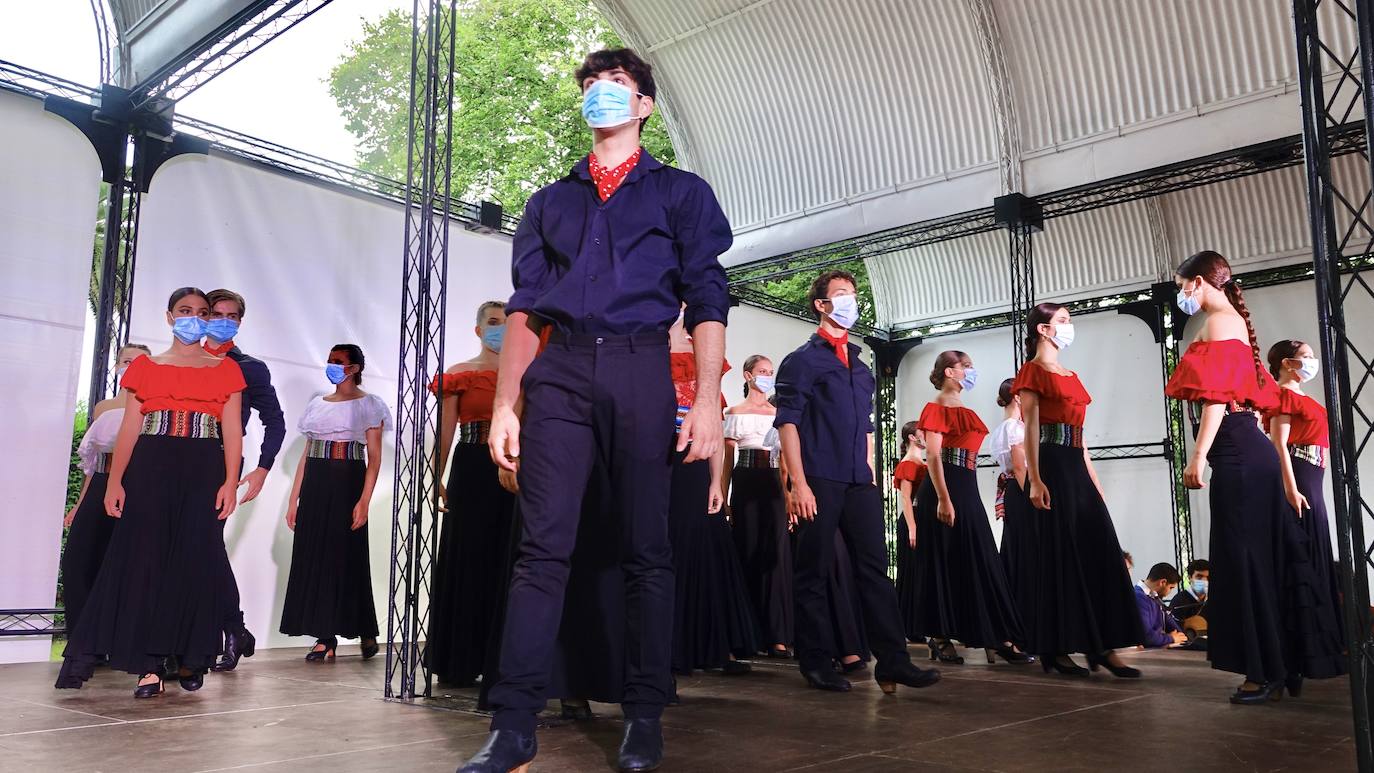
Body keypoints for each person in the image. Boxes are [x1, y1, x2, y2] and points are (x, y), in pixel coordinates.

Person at [459, 48, 732, 773]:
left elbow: (707, 296)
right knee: (541, 550)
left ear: (643, 105)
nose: (599, 95)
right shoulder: (550, 202)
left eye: (615, 85)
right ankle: (513, 724)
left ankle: (644, 714)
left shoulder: (681, 193)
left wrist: (705, 398)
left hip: (644, 367)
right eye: (590, 85)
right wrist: (508, 404)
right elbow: (525, 310)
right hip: (562, 371)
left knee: (648, 550)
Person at [56, 287, 245, 697]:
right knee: (146, 561)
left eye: (201, 311)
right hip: (151, 466)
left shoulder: (226, 369)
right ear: (169, 316)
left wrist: (231, 481)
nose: (193, 317)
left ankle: (193, 656)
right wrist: (117, 481)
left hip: (203, 467)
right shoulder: (145, 367)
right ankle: (149, 666)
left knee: (196, 560)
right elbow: (130, 427)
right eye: (184, 310)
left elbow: (232, 429)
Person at [774, 268, 941, 695]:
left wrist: (869, 473)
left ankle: (893, 661)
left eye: (854, 294)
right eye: (842, 294)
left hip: (857, 482)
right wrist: (798, 484)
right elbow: (788, 425)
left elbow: (866, 428)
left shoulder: (862, 367)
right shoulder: (801, 361)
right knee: (811, 571)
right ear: (822, 305)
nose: (852, 301)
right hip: (819, 479)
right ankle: (814, 661)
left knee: (875, 570)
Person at [1164, 250, 1291, 704]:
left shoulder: (1219, 324)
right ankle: (1272, 666)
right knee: (1249, 561)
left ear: (1199, 282)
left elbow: (1216, 399)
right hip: (1244, 453)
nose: (1182, 294)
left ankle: (1264, 671)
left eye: (1183, 286)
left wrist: (1197, 456)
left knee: (1244, 562)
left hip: (1236, 454)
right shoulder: (1229, 322)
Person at [1016, 302, 1144, 678]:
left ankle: (1103, 645)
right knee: (1060, 556)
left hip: (1076, 465)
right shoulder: (1032, 371)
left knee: (1098, 550)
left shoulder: (1071, 375)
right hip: (1051, 465)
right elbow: (1030, 431)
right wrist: (1036, 480)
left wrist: (1095, 481)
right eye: (1063, 321)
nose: (1069, 327)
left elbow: (1082, 440)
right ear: (1043, 329)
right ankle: (1055, 649)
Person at [911, 351, 1029, 665]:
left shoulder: (965, 408)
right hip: (945, 489)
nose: (972, 372)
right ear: (950, 371)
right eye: (967, 367)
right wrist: (943, 499)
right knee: (942, 562)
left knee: (982, 559)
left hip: (967, 485)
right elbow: (933, 456)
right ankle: (939, 635)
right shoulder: (935, 407)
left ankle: (995, 636)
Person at [279, 344, 389, 661]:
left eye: (338, 362)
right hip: (316, 480)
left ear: (354, 368)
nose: (332, 366)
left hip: (347, 480)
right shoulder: (317, 405)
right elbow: (306, 453)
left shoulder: (369, 404)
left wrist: (364, 500)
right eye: (329, 361)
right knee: (314, 553)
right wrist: (293, 498)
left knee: (348, 555)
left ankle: (365, 628)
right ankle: (324, 635)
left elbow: (375, 457)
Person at [427, 301, 514, 686]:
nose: (501, 330)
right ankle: (461, 658)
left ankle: (506, 661)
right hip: (473, 468)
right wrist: (434, 477)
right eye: (494, 323)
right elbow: (445, 430)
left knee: (510, 562)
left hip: (516, 473)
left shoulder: (527, 375)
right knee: (469, 557)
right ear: (479, 330)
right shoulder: (460, 374)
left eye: (508, 324)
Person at [665, 317, 757, 675]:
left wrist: (717, 482)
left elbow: (714, 426)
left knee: (697, 547)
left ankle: (698, 647)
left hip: (693, 462)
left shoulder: (706, 359)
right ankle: (663, 648)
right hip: (653, 460)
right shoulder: (648, 347)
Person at [204, 288, 286, 672]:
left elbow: (275, 420)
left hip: (221, 464)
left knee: (204, 544)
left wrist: (263, 468)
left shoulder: (249, 367)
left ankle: (231, 629)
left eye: (231, 315)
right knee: (186, 547)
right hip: (174, 461)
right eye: (216, 313)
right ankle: (226, 630)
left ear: (240, 320)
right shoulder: (181, 360)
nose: (224, 320)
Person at [1265, 339, 1347, 686]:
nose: (1312, 362)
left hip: (1313, 479)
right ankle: (1295, 658)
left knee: (1316, 553)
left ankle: (1316, 650)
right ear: (1287, 363)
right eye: (1307, 357)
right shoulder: (1283, 396)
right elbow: (1278, 443)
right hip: (1299, 478)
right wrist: (1290, 488)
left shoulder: (1304, 398)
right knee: (1301, 558)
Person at [61, 343, 150, 634]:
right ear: (117, 365)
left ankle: (119, 638)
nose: (130, 365)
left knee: (125, 565)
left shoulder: (156, 406)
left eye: (138, 361)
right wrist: (80, 503)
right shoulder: (103, 407)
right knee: (78, 559)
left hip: (137, 488)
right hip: (100, 484)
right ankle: (82, 639)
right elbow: (92, 463)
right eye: (125, 360)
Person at [725, 354, 794, 660]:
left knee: (776, 555)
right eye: (762, 371)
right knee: (747, 550)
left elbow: (788, 459)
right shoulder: (733, 412)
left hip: (774, 483)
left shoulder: (779, 413)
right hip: (745, 481)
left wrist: (791, 493)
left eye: (770, 371)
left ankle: (777, 635)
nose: (767, 375)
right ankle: (747, 633)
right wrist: (723, 494)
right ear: (748, 375)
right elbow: (727, 460)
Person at [992, 378, 1038, 652]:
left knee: (1015, 554)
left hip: (1012, 492)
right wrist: (1031, 496)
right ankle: (1023, 629)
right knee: (1024, 557)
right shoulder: (1015, 428)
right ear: (1018, 397)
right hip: (1020, 493)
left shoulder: (1003, 428)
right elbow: (1020, 468)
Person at [892, 421, 928, 641]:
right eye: (922, 433)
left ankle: (917, 625)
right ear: (913, 438)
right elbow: (905, 497)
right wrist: (912, 527)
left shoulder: (919, 461)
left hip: (920, 519)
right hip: (911, 520)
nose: (926, 436)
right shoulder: (907, 464)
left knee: (919, 572)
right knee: (912, 572)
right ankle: (909, 626)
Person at [1134, 563, 1188, 649]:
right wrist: (1171, 638)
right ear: (1163, 582)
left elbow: (1171, 624)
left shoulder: (1154, 597)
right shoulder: (1138, 597)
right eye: (1171, 588)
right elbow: (1146, 637)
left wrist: (1181, 637)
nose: (1170, 592)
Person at [1170, 558, 1210, 627]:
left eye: (1208, 577)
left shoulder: (1214, 599)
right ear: (1190, 578)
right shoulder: (1179, 601)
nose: (1204, 581)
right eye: (1199, 577)